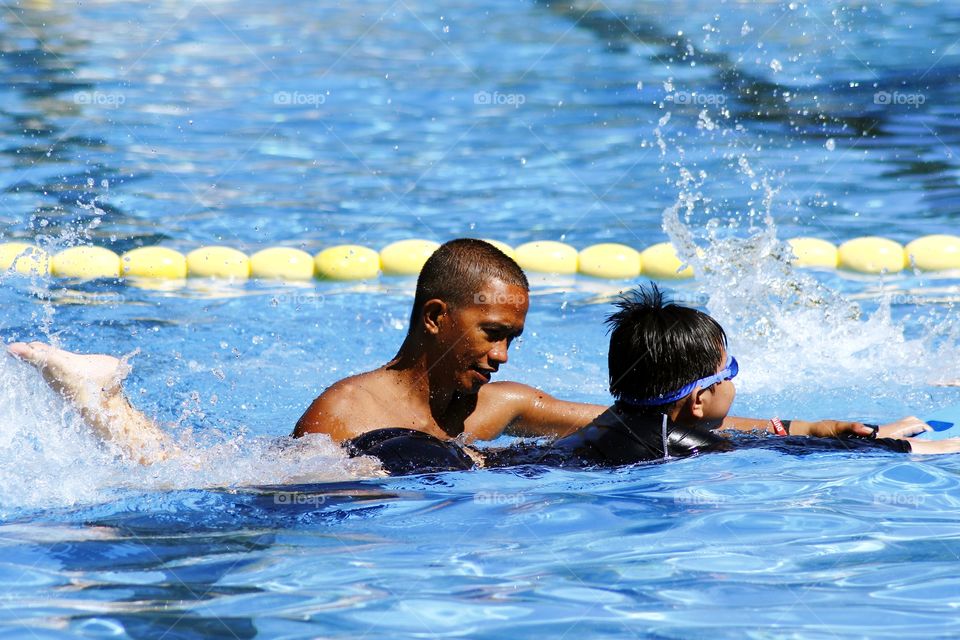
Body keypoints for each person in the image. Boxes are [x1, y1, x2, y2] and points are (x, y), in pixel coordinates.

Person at [4, 239, 934, 471]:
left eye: (514, 340)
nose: (502, 357)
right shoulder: (349, 413)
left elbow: (636, 425)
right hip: (343, 476)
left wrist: (834, 430)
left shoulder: (507, 405)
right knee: (213, 478)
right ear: (437, 317)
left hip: (443, 473)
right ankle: (99, 400)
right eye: (493, 334)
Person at [484, 285, 957, 469]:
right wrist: (921, 447)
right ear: (697, 401)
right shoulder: (685, 445)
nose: (733, 384)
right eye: (728, 373)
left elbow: (764, 434)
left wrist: (818, 426)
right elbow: (787, 454)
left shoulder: (617, 419)